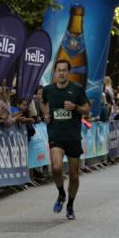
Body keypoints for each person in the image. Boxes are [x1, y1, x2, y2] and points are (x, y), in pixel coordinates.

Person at [41, 60, 90, 220]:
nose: (61, 73)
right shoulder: (48, 90)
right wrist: (46, 114)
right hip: (56, 135)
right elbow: (43, 102)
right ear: (55, 72)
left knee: (74, 175)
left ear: (68, 72)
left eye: (64, 70)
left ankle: (70, 205)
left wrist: (75, 107)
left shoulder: (76, 89)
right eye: (58, 70)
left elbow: (87, 108)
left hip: (73, 137)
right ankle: (61, 193)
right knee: (56, 167)